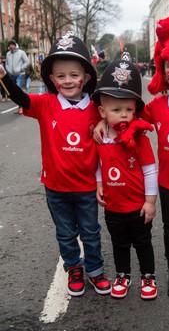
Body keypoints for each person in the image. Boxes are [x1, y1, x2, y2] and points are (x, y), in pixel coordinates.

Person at [94, 15, 169, 304]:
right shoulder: (157, 106)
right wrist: (100, 124)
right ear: (163, 71)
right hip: (167, 185)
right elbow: (122, 114)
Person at [0, 32, 111, 298]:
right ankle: (74, 267)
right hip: (56, 187)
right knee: (65, 234)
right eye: (60, 76)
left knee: (91, 232)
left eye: (74, 75)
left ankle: (94, 270)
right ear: (52, 80)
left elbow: (122, 111)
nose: (68, 81)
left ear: (85, 78)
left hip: (86, 188)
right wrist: (3, 76)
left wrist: (104, 121)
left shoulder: (97, 108)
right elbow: (21, 98)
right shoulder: (46, 104)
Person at [91, 53, 158, 300]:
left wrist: (150, 201)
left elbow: (150, 170)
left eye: (129, 109)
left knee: (142, 242)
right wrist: (99, 182)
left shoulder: (140, 139)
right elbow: (99, 163)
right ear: (102, 111)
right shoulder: (101, 137)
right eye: (116, 109)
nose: (123, 115)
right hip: (114, 207)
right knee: (119, 244)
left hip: (137, 206)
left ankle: (148, 276)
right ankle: (123, 274)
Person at [5, 39, 29, 114]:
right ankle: (20, 108)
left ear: (15, 45)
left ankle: (21, 107)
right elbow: (7, 63)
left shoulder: (21, 52)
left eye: (12, 44)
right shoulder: (8, 54)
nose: (11, 46)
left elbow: (27, 62)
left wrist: (21, 68)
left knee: (18, 89)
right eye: (9, 45)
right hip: (11, 75)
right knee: (14, 91)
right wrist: (8, 69)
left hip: (20, 74)